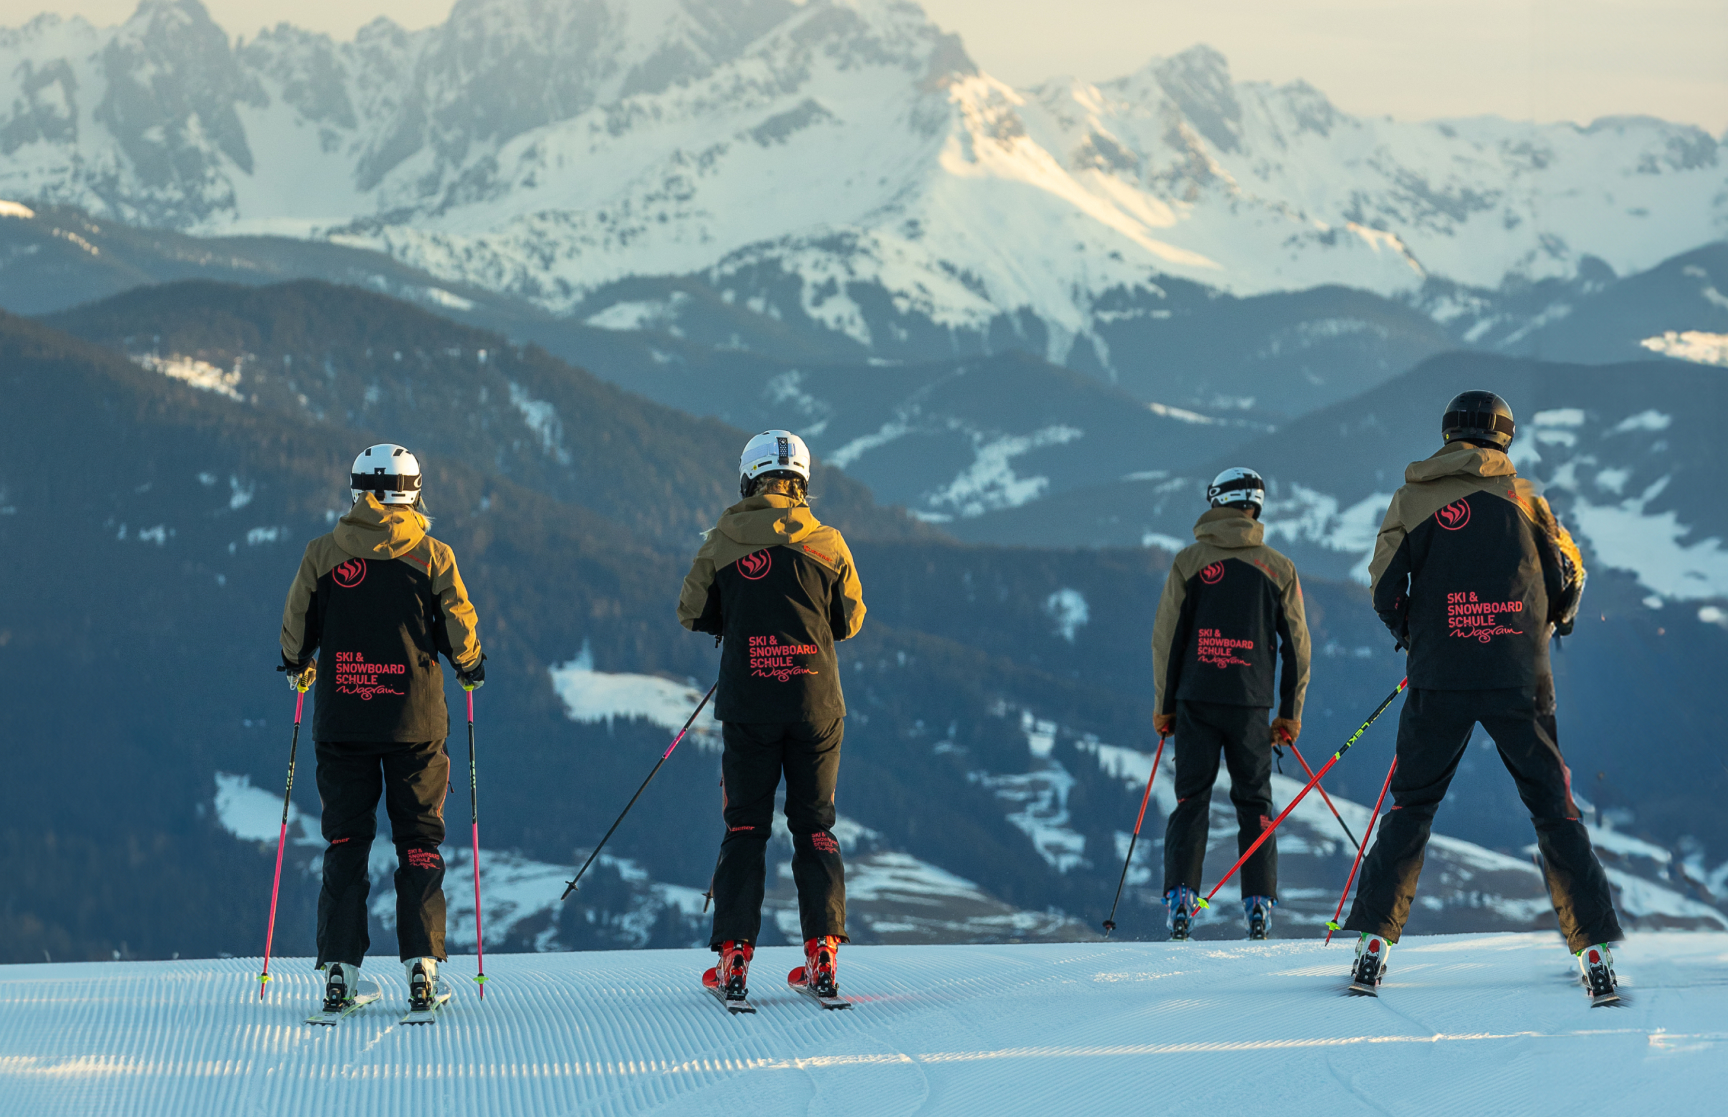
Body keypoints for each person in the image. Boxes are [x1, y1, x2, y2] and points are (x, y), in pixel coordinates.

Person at [1342, 391, 1621, 1003]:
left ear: (1447, 433)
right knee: (1553, 810)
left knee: (1412, 808)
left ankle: (1373, 944)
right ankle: (1594, 949)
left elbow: (1384, 586)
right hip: (1520, 675)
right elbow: (1570, 574)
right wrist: (1555, 623)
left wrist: (1411, 634)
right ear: (1504, 436)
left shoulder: (1412, 499)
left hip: (1439, 673)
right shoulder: (1528, 501)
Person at [279, 444, 485, 1018]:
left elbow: (296, 627)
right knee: (418, 842)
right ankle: (423, 971)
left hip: (341, 721)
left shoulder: (323, 554)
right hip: (415, 725)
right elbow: (459, 628)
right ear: (414, 491)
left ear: (356, 491)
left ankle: (340, 977)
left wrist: (299, 666)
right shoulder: (432, 554)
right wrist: (470, 666)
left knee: (346, 842)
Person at [678, 430, 866, 1005]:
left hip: (749, 704)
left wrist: (734, 622)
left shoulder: (721, 541)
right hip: (816, 705)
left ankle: (733, 959)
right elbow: (850, 619)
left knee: (744, 828)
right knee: (816, 828)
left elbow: (691, 611)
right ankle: (823, 955)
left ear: (748, 479)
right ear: (802, 481)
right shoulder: (828, 543)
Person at [1151, 467, 1311, 941]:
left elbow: (1167, 640)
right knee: (1255, 804)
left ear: (1215, 503)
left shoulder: (1188, 561)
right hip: (1251, 705)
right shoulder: (1278, 568)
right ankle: (1259, 904)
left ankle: (1181, 899)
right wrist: (1289, 713)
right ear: (1255, 508)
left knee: (1190, 800)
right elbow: (1297, 647)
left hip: (1195, 700)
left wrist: (1165, 706)